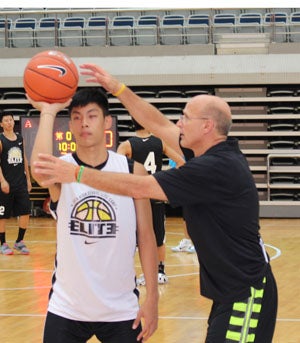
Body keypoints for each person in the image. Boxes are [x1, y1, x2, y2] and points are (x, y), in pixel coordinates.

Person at [32, 64, 278, 343]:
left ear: (207, 126)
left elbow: (140, 186)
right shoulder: (207, 152)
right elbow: (158, 124)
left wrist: (76, 174)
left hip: (245, 291)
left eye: (186, 117)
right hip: (229, 293)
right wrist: (118, 88)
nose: (179, 123)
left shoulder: (213, 168)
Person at [28, 88, 158, 343]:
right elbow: (39, 171)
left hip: (121, 308)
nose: (83, 123)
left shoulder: (133, 170)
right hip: (67, 307)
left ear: (107, 122)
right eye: (76, 117)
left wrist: (152, 296)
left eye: (91, 115)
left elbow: (146, 236)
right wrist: (48, 111)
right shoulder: (61, 168)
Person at [117, 118, 185, 285]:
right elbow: (181, 162)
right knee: (158, 237)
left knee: (137, 238)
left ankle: (133, 273)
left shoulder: (127, 145)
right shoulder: (160, 143)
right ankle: (160, 272)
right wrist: (166, 179)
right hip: (156, 194)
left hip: (138, 197)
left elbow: (116, 168)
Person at [0, 112, 32, 255]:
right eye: (6, 120)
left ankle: (19, 241)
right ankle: (3, 243)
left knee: (25, 212)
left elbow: (24, 158)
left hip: (21, 183)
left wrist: (29, 179)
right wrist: (2, 180)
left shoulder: (20, 138)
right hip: (6, 183)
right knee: (2, 215)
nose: (9, 122)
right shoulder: (1, 140)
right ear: (1, 124)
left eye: (11, 120)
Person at [168, 159, 195, 254]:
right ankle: (187, 241)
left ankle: (197, 243)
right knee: (186, 217)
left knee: (196, 217)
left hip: (195, 186)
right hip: (185, 186)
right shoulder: (175, 155)